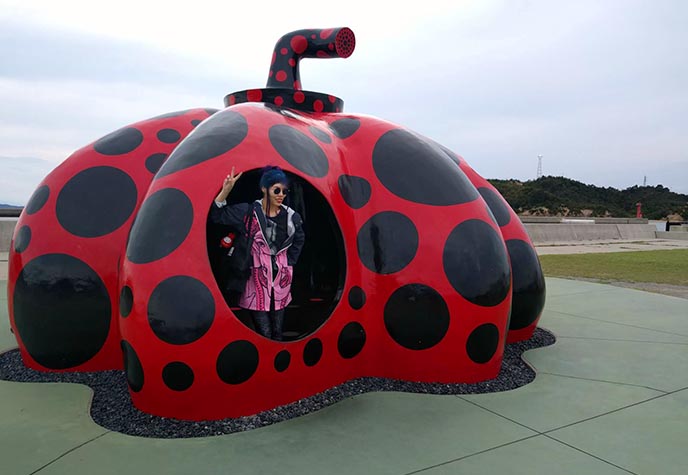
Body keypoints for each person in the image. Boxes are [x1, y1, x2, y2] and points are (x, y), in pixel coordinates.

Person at [211, 165, 305, 340]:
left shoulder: (292, 217)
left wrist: (288, 262)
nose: (281, 195)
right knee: (264, 333)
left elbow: (299, 239)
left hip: (281, 280)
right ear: (264, 189)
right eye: (276, 190)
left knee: (278, 331)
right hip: (254, 278)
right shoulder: (248, 212)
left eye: (285, 191)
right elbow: (217, 215)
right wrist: (226, 191)